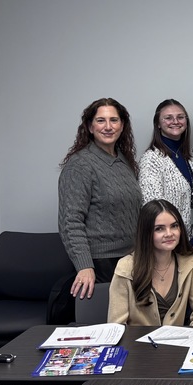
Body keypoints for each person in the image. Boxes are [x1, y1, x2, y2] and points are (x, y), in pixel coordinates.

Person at [58, 97, 140, 300]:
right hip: (100, 263)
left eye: (114, 120)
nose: (108, 126)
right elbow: (70, 221)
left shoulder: (123, 160)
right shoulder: (80, 165)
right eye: (101, 120)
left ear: (122, 126)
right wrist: (85, 265)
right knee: (107, 327)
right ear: (90, 126)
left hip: (129, 260)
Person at [108, 199, 193, 326]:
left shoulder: (188, 263)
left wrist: (192, 334)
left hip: (177, 343)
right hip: (136, 344)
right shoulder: (125, 267)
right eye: (159, 229)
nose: (169, 234)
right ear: (146, 233)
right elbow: (116, 324)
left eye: (174, 226)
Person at [139, 99, 193, 252]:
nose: (175, 121)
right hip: (168, 246)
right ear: (158, 123)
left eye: (180, 117)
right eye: (168, 118)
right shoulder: (151, 160)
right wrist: (177, 239)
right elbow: (153, 209)